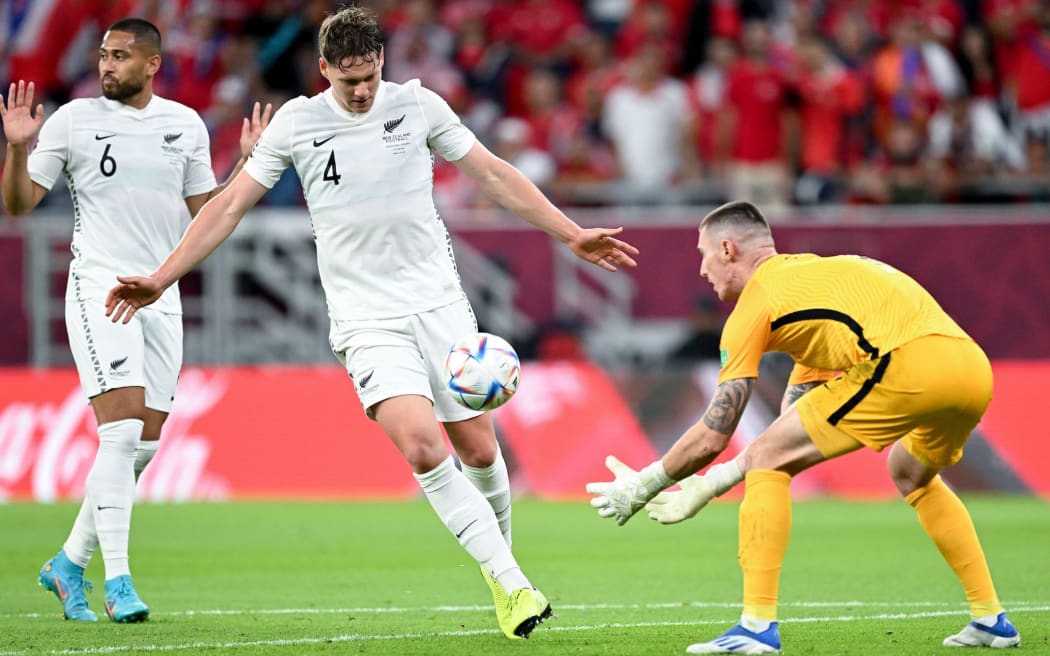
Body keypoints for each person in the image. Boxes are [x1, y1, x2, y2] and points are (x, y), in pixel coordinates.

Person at [103, 6, 638, 640]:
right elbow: (227, 208)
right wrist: (163, 276)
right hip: (366, 320)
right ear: (323, 68)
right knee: (423, 446)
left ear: (384, 61)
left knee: (479, 449)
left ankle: (503, 566)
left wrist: (571, 233)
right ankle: (513, 585)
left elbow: (493, 174)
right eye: (347, 79)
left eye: (370, 76)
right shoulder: (299, 124)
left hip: (440, 304)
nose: (360, 92)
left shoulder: (417, 106)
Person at [586, 200, 1020, 653]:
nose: (701, 269)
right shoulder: (810, 286)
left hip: (906, 364)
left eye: (704, 253)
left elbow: (717, 433)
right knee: (910, 472)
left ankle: (756, 628)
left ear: (728, 249)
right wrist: (718, 479)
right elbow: (793, 426)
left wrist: (649, 483)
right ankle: (990, 618)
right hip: (970, 368)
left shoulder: (756, 303)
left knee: (767, 461)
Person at [1, 18, 271, 623]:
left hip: (161, 292)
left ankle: (68, 564)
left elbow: (210, 216)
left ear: (152, 64)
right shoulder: (73, 120)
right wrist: (18, 148)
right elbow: (18, 205)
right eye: (103, 55)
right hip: (102, 289)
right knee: (119, 434)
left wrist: (246, 171)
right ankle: (118, 582)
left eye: (120, 56)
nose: (106, 66)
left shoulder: (184, 125)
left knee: (142, 449)